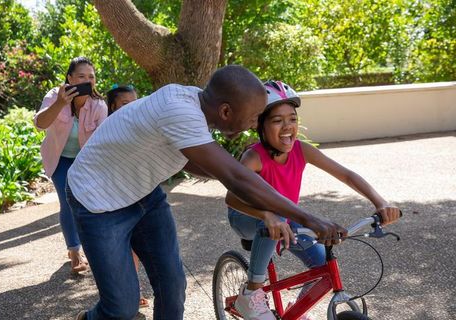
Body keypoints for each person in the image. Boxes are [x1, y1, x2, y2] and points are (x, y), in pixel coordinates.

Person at [66, 65, 346, 320]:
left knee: (173, 288)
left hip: (144, 195)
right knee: (121, 309)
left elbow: (198, 161)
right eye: (252, 118)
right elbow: (236, 177)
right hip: (98, 201)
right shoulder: (181, 111)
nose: (253, 125)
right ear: (226, 112)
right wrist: (310, 219)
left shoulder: (197, 105)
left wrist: (243, 183)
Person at [225, 80, 401, 320]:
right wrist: (266, 215)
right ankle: (250, 294)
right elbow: (231, 198)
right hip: (246, 215)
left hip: (284, 217)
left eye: (292, 119)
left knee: (322, 270)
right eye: (277, 120)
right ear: (260, 125)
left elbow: (346, 175)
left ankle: (294, 313)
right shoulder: (254, 157)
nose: (287, 127)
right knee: (273, 219)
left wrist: (380, 202)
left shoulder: (301, 150)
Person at [33, 56, 107, 274]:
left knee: (87, 203)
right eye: (81, 76)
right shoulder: (55, 96)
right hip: (60, 158)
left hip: (85, 161)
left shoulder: (98, 105)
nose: (87, 80)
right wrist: (60, 104)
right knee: (68, 201)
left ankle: (93, 247)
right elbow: (40, 124)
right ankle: (75, 252)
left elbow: (102, 139)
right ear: (70, 78)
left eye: (91, 77)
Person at [106, 83, 149, 309]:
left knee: (135, 246)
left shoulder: (142, 127)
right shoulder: (108, 128)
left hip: (136, 194)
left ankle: (135, 291)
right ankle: (122, 293)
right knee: (119, 248)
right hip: (113, 197)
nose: (131, 107)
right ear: (113, 106)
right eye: (125, 103)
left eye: (134, 102)